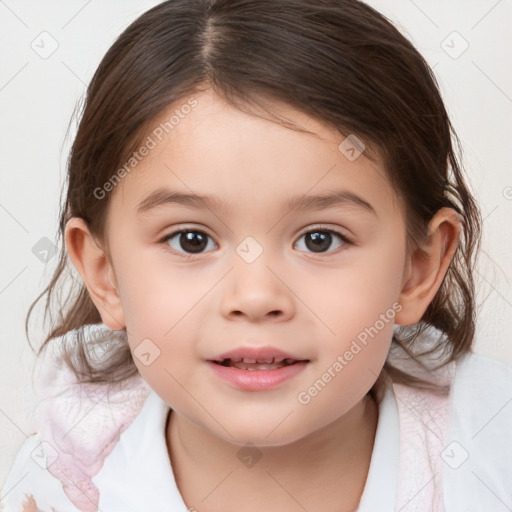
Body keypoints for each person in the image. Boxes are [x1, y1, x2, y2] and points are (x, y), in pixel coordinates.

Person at [1, 0, 511, 511]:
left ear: (416, 269)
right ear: (104, 274)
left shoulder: (490, 456)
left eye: (320, 239)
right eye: (191, 240)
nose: (256, 297)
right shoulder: (57, 487)